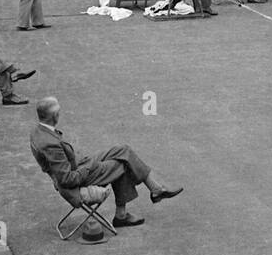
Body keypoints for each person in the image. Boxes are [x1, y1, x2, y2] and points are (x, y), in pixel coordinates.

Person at [31, 96, 183, 239]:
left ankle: (156, 189)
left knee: (123, 150)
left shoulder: (38, 131)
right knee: (122, 164)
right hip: (76, 179)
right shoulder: (49, 143)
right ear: (54, 116)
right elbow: (67, 179)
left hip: (77, 166)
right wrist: (90, 166)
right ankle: (122, 215)